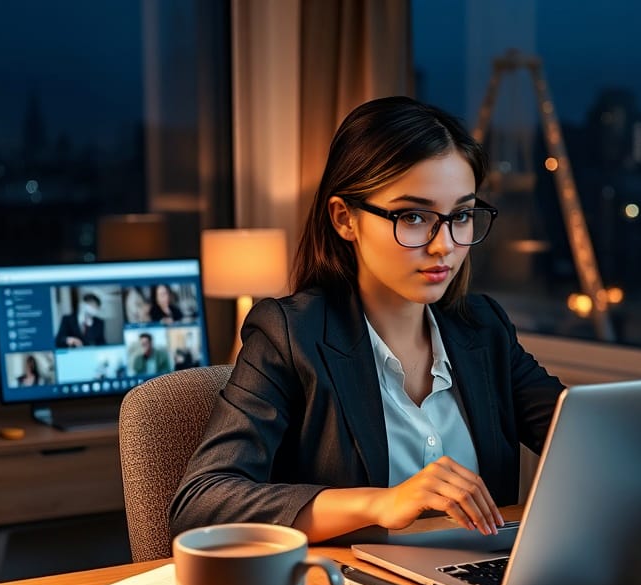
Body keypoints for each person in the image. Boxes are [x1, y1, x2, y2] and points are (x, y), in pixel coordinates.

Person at [170, 96, 564, 544]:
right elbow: (200, 504)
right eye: (414, 217)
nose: (444, 246)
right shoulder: (289, 334)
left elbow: (588, 438)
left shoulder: (485, 328)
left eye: (460, 216)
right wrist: (380, 502)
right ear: (345, 219)